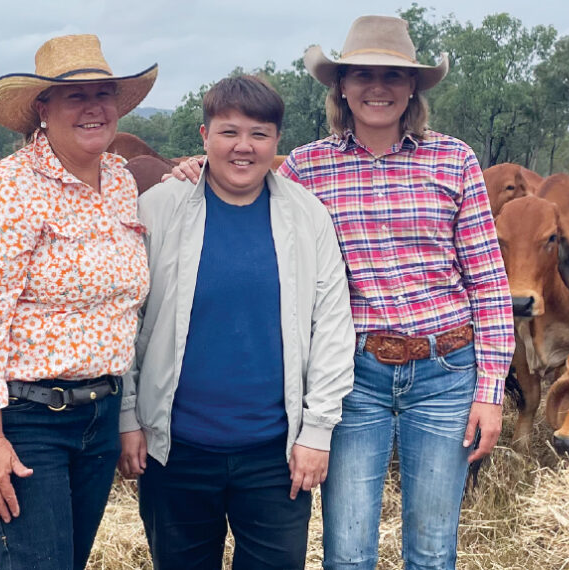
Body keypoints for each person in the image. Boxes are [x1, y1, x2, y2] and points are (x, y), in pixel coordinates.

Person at [170, 16, 515, 570]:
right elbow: (240, 173)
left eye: (392, 76)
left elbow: (489, 282)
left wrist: (489, 390)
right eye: (362, 75)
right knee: (348, 550)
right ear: (343, 88)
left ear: (412, 89)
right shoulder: (307, 167)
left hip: (446, 371)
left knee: (432, 548)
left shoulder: (455, 161)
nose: (377, 87)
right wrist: (195, 167)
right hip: (357, 377)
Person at [118, 75, 356, 570]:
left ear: (276, 143)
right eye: (229, 132)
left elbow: (332, 326)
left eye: (259, 134)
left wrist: (317, 431)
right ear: (204, 137)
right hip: (176, 448)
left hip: (275, 453)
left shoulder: (308, 216)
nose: (243, 147)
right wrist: (128, 417)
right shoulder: (158, 210)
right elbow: (124, 321)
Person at [0, 34, 157, 570]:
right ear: (43, 110)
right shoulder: (7, 188)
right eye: (74, 96)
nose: (94, 107)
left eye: (103, 93)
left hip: (99, 416)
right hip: (25, 420)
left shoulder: (120, 180)